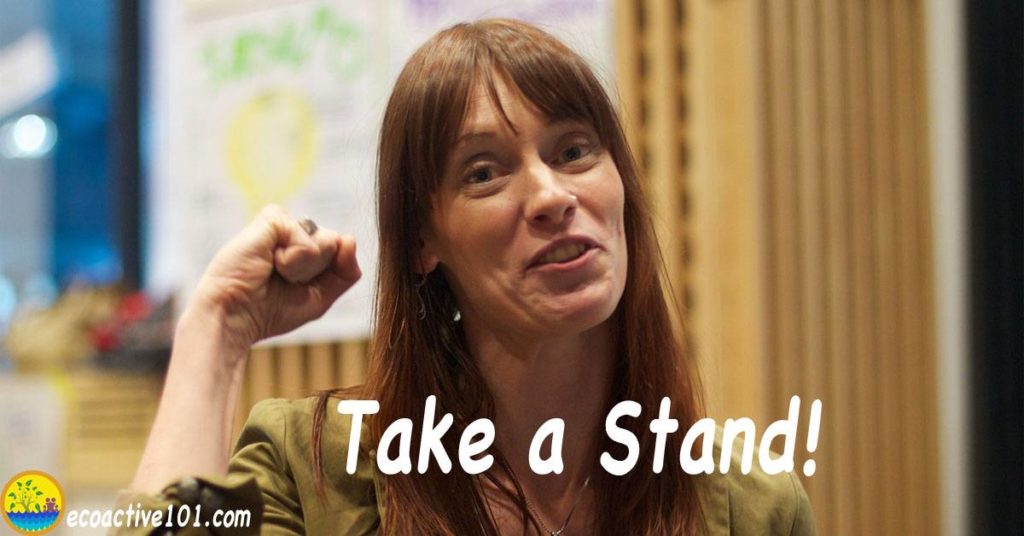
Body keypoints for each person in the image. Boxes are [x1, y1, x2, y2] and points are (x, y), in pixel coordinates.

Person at [123, 19, 814, 535]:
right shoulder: (316, 471)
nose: (550, 195)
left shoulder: (751, 505)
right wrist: (216, 330)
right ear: (424, 241)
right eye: (484, 172)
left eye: (573, 151)